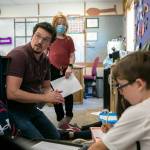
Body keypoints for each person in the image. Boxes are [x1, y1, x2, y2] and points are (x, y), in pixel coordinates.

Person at [6, 22, 65, 140]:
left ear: (50, 44)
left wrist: (52, 95)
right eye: (37, 36)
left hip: (31, 108)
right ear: (32, 35)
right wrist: (44, 98)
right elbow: (12, 93)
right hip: (13, 110)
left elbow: (46, 86)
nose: (39, 41)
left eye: (45, 39)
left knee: (55, 137)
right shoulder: (19, 55)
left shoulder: (45, 60)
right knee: (38, 143)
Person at [88, 51, 150, 150]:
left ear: (139, 84)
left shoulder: (138, 112)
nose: (120, 92)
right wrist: (117, 130)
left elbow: (98, 148)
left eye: (121, 86)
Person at [48, 13, 76, 129]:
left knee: (68, 95)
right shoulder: (50, 39)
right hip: (52, 69)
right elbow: (45, 53)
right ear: (54, 25)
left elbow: (72, 55)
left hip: (66, 70)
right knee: (57, 95)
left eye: (64, 24)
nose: (62, 26)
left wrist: (70, 67)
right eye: (59, 24)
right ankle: (60, 119)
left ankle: (69, 116)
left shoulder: (69, 40)